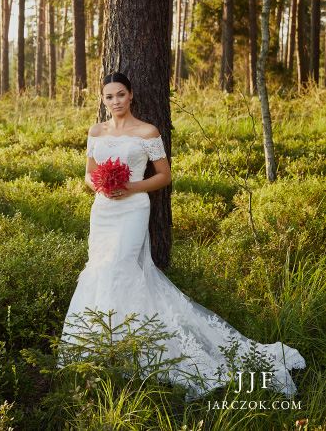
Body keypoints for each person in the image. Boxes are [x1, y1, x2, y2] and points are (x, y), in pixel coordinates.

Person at [58, 71, 306, 402]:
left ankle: (140, 346)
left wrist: (129, 186)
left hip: (133, 210)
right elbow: (88, 175)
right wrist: (101, 185)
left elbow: (164, 175)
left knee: (121, 267)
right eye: (108, 97)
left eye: (120, 95)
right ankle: (104, 348)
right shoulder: (96, 131)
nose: (115, 102)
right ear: (102, 100)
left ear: (131, 95)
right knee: (99, 271)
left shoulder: (147, 131)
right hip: (103, 211)